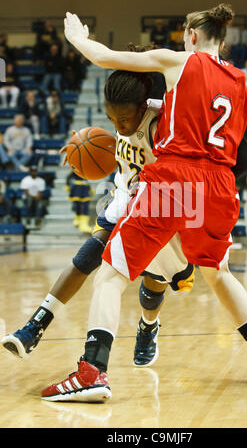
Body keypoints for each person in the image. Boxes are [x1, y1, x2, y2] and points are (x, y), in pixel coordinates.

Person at [5, 6, 247, 402]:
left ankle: (91, 372)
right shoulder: (239, 80)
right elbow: (240, 150)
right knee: (219, 274)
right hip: (221, 186)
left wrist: (76, 37)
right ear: (222, 41)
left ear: (191, 35)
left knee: (110, 273)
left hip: (179, 179)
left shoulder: (178, 61)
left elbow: (104, 57)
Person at [1, 70, 196, 373]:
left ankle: (148, 327)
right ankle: (35, 326)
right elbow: (106, 145)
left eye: (124, 120)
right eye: (111, 120)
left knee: (153, 282)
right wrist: (81, 146)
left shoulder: (162, 123)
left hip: (158, 209)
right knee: (89, 253)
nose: (119, 126)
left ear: (143, 107)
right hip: (124, 197)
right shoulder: (123, 113)